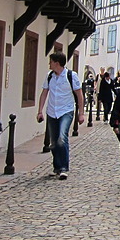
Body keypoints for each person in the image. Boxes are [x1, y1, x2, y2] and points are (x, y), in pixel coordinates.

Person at [36, 52, 85, 180]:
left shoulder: (71, 76)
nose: (49, 64)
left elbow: (79, 95)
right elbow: (44, 93)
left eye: (51, 61)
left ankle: (64, 168)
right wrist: (40, 111)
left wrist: (81, 113)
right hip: (52, 111)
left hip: (66, 111)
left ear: (57, 63)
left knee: (62, 138)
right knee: (53, 141)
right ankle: (56, 167)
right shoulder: (49, 76)